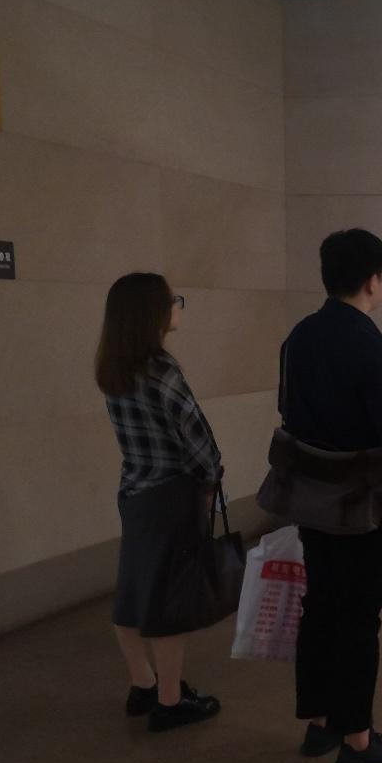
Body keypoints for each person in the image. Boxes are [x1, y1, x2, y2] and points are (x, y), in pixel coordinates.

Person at [280, 228, 382, 763]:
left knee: (320, 608)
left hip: (313, 502)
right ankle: (359, 743)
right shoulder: (374, 352)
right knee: (359, 620)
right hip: (365, 512)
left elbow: (291, 417)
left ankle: (319, 724)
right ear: (372, 280)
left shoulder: (299, 338)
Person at [96, 273, 223, 733]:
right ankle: (170, 701)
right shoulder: (161, 371)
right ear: (151, 312)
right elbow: (198, 441)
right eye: (173, 301)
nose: (177, 307)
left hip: (134, 492)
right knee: (170, 601)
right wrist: (212, 478)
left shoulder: (112, 369)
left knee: (133, 591)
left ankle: (143, 683)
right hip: (172, 497)